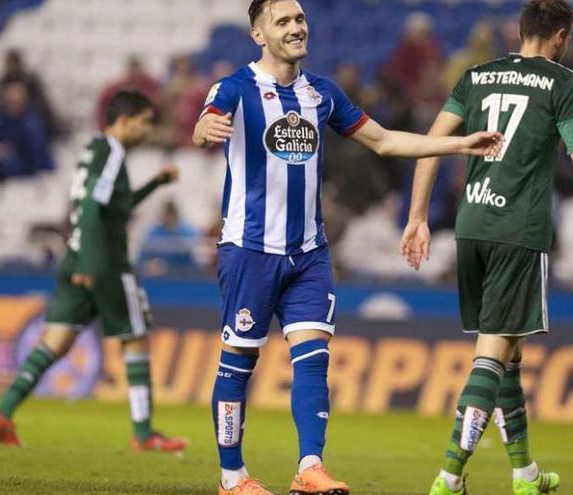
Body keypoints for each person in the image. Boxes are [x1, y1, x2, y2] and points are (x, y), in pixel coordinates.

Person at [191, 1, 503, 494]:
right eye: (283, 22)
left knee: (314, 358)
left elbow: (383, 141)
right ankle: (232, 478)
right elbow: (205, 121)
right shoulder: (235, 87)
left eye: (300, 20)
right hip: (250, 250)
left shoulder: (323, 93)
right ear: (258, 34)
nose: (296, 28)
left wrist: (458, 145)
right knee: (239, 361)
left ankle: (309, 467)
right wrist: (203, 129)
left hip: (310, 252)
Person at [399, 1, 573, 494]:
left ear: (520, 31)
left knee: (507, 351)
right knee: (491, 354)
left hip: (472, 223)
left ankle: (524, 474)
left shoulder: (476, 76)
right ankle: (448, 475)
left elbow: (429, 144)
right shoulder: (563, 82)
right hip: (516, 230)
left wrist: (417, 218)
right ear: (561, 36)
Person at [0, 90, 186, 453]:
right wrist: (94, 264)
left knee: (56, 342)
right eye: (144, 123)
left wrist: (155, 184)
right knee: (136, 338)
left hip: (74, 256)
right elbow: (92, 207)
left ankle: (3, 413)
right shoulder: (111, 152)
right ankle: (143, 434)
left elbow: (113, 207)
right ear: (124, 121)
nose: (147, 131)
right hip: (104, 262)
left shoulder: (94, 150)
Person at [0, 80, 54, 178]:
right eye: (10, 101)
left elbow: (39, 157)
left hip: (27, 175)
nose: (13, 105)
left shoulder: (32, 124)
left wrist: (12, 151)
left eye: (17, 101)